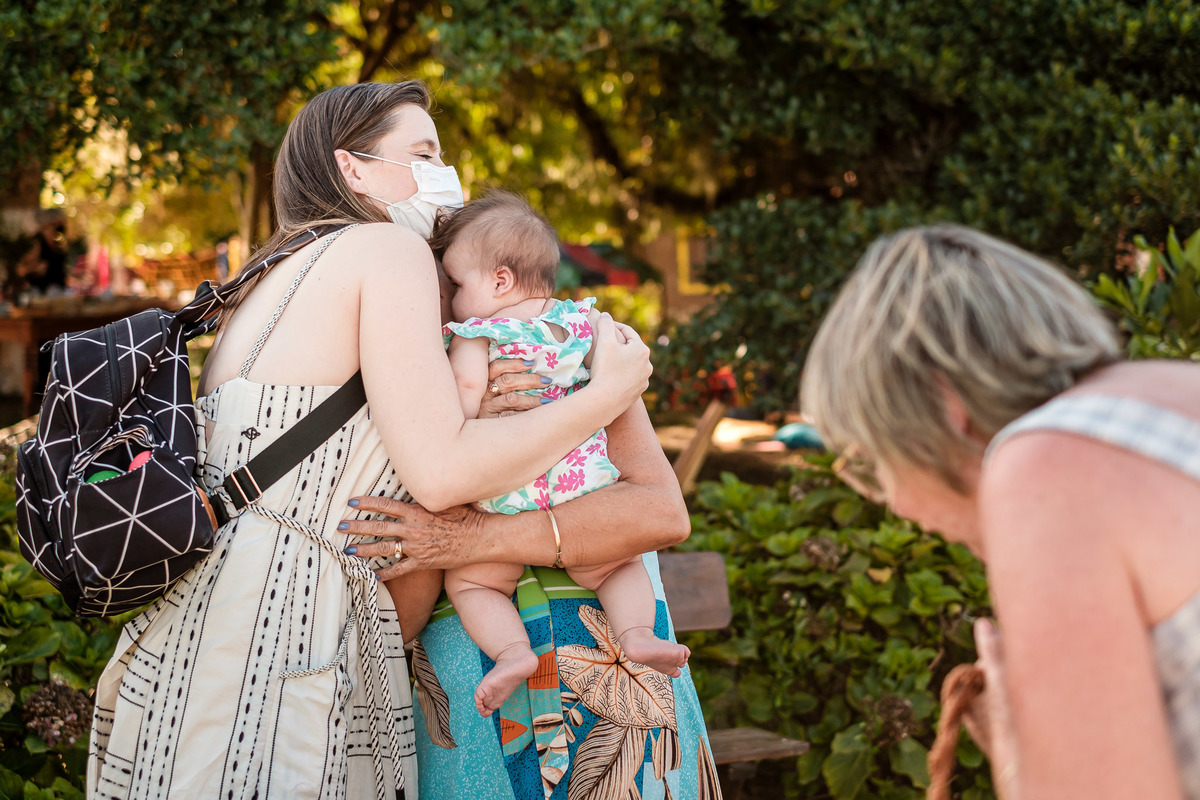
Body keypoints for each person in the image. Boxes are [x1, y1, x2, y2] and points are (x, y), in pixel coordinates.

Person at [86, 80, 662, 800]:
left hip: (202, 633)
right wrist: (608, 392)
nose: (444, 176)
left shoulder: (265, 281)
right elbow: (441, 473)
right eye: (423, 154)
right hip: (286, 644)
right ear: (352, 168)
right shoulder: (387, 250)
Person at [801, 224, 1200, 800]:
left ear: (943, 404)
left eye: (874, 463)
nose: (898, 506)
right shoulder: (1173, 389)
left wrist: (1019, 756)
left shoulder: (1044, 468)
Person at [428, 191, 690, 718]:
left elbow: (461, 404)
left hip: (509, 489)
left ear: (499, 281)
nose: (453, 298)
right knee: (618, 568)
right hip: (582, 481)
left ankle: (512, 654)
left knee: (473, 581)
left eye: (457, 284)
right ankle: (638, 635)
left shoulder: (477, 334)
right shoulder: (583, 322)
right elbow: (619, 367)